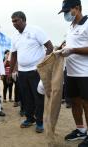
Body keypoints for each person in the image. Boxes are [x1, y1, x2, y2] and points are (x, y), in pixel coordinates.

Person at [9, 11, 54, 133]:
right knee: (26, 97)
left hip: (36, 71)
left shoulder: (35, 30)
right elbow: (13, 55)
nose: (14, 23)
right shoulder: (15, 36)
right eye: (12, 21)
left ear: (23, 20)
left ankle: (39, 122)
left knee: (38, 97)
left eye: (16, 20)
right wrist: (10, 71)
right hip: (22, 72)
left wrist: (43, 64)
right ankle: (30, 118)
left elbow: (50, 47)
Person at [58, 0, 88, 146]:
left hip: (85, 73)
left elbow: (77, 48)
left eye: (67, 11)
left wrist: (73, 50)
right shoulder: (71, 27)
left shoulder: (87, 23)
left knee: (86, 103)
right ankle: (80, 130)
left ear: (77, 8)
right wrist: (62, 49)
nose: (66, 15)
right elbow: (69, 45)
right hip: (71, 73)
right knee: (75, 102)